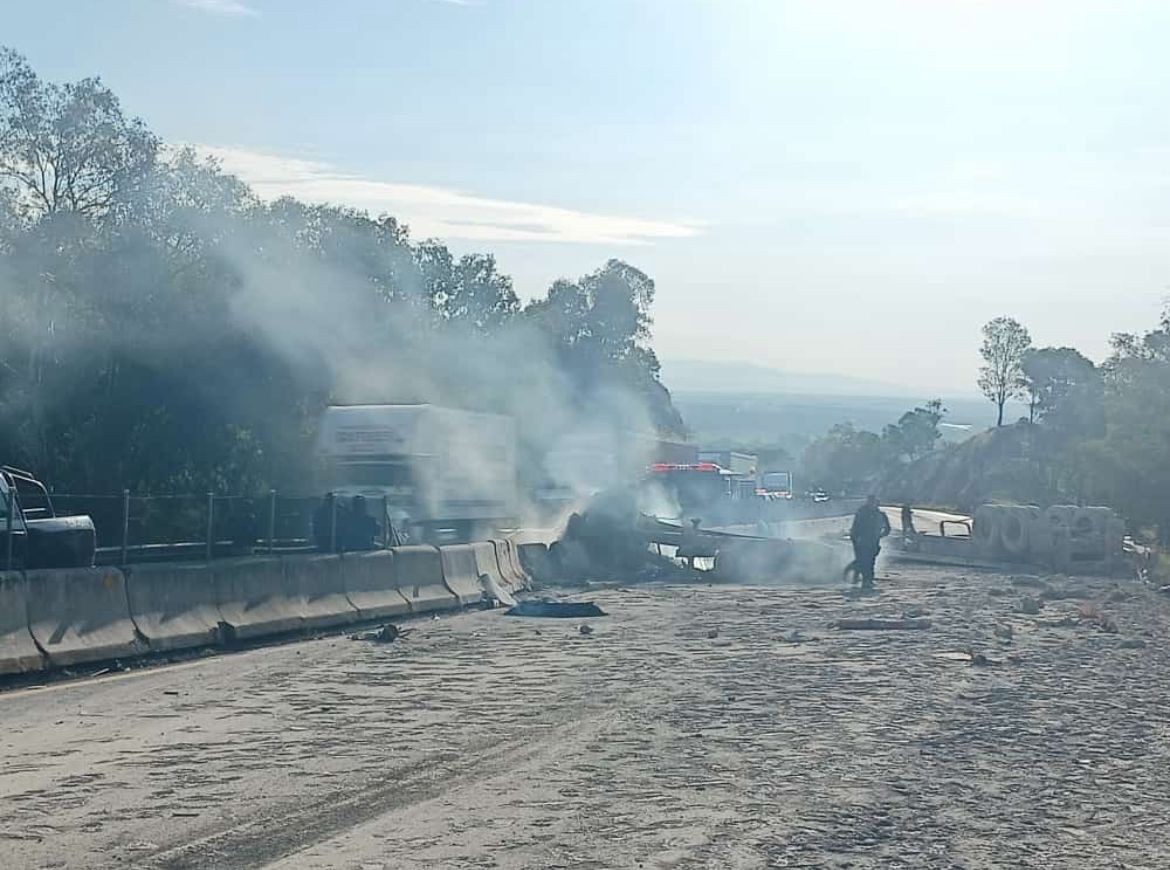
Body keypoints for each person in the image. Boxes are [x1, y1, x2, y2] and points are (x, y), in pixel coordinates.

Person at [849, 495, 891, 589]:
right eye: (870, 502)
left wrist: (881, 535)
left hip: (873, 541)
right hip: (860, 540)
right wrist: (856, 538)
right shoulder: (862, 512)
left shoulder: (880, 515)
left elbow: (888, 528)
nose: (872, 504)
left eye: (874, 502)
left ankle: (866, 579)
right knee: (862, 560)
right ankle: (864, 579)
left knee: (870, 561)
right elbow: (856, 526)